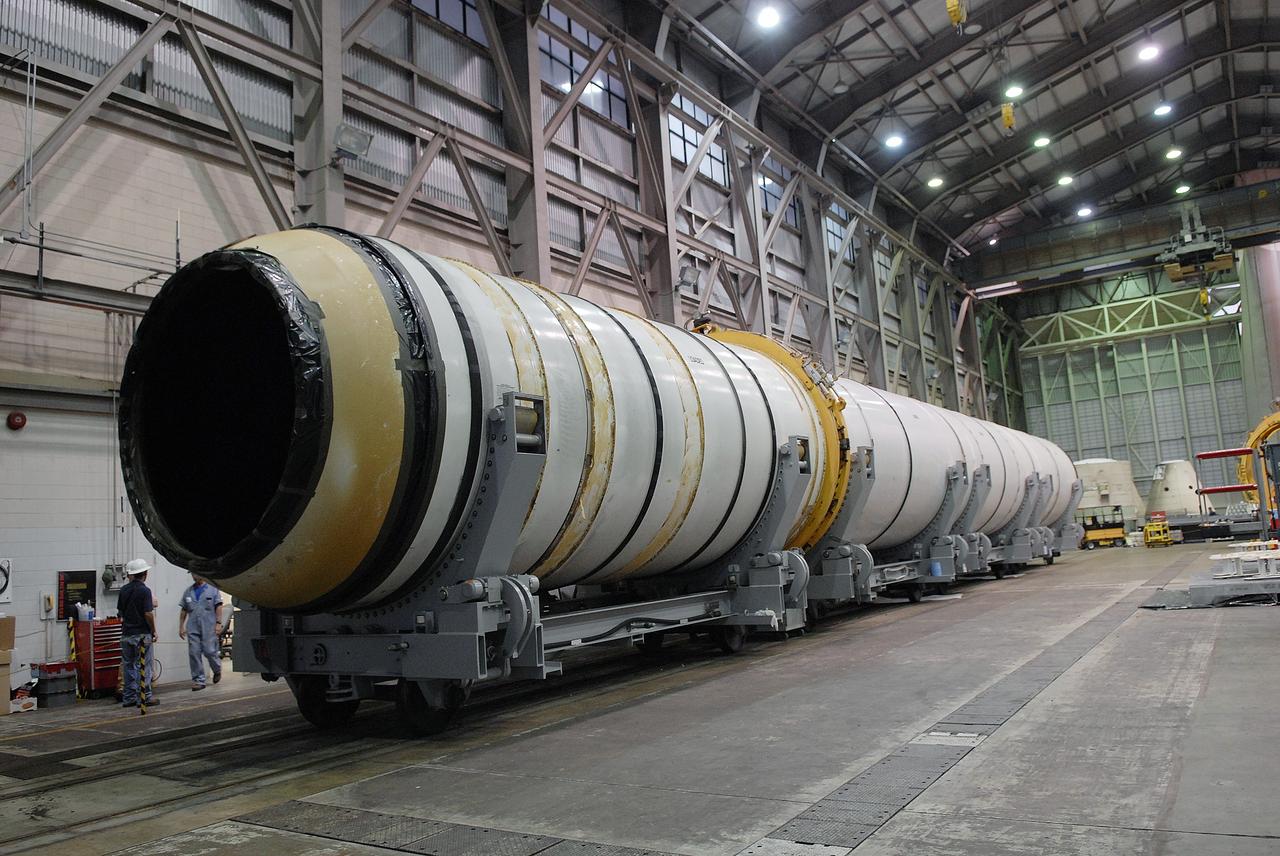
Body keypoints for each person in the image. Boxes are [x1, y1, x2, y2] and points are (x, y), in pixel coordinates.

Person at [118, 558, 159, 707]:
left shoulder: (123, 590)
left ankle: (128, 698)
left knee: (128, 666)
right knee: (144, 667)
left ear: (131, 574)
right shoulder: (144, 590)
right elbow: (148, 613)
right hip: (142, 635)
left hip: (126, 635)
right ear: (145, 574)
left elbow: (120, 613)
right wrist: (154, 631)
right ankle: (145, 697)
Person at [178, 573, 223, 691]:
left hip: (209, 626)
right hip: (193, 627)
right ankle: (198, 680)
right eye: (192, 573)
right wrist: (181, 626)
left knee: (209, 651)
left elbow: (218, 606)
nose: (194, 575)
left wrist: (218, 623)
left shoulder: (212, 589)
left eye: (195, 573)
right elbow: (184, 610)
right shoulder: (188, 591)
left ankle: (217, 669)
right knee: (194, 652)